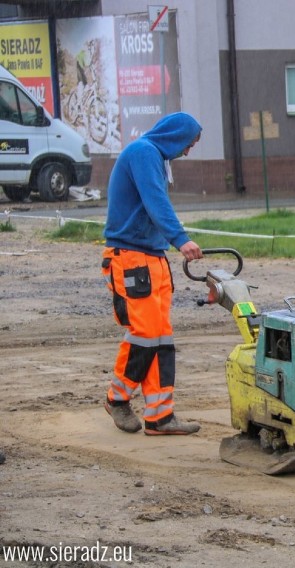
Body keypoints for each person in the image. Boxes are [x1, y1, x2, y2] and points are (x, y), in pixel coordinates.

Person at [101, 112, 204, 435]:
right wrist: (181, 239)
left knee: (161, 337)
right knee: (145, 333)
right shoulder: (144, 152)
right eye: (188, 144)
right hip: (131, 257)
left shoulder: (154, 157)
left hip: (152, 257)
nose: (188, 151)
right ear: (175, 136)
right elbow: (155, 201)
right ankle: (117, 399)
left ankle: (160, 416)